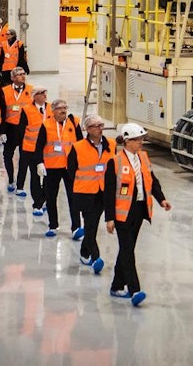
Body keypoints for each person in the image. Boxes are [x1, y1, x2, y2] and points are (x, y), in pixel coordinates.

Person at [104, 123, 171, 306]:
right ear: (127, 141)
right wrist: (109, 218)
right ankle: (135, 290)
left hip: (140, 210)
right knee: (127, 251)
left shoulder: (143, 157)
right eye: (138, 139)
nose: (141, 142)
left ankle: (117, 285)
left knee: (127, 249)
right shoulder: (115, 162)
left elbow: (152, 180)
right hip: (122, 214)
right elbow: (108, 193)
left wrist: (161, 199)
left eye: (141, 139)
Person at [68, 115, 113, 273]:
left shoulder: (111, 145)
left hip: (103, 193)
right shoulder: (78, 147)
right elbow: (71, 171)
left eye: (102, 125)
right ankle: (96, 257)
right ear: (88, 129)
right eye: (96, 126)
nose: (100, 128)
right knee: (90, 225)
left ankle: (84, 252)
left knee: (92, 225)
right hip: (85, 192)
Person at [34, 99, 82, 238]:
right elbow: (39, 146)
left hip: (70, 167)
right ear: (53, 111)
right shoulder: (46, 125)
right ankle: (53, 225)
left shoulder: (74, 123)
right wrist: (39, 163)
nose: (63, 111)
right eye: (60, 108)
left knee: (73, 197)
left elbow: (81, 145)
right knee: (51, 197)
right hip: (52, 166)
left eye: (65, 108)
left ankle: (76, 227)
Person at [0, 66, 32, 192]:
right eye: (19, 74)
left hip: (25, 128)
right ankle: (11, 179)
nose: (22, 76)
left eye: (23, 74)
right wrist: (1, 131)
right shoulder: (5, 90)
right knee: (7, 155)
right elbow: (1, 112)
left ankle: (20, 185)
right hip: (10, 128)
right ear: (12, 78)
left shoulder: (31, 90)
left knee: (24, 157)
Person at [16, 87, 50, 210]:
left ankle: (45, 199)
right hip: (31, 148)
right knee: (35, 176)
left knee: (48, 176)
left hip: (48, 149)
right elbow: (21, 129)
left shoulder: (51, 108)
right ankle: (37, 203)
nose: (44, 95)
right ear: (34, 96)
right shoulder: (27, 109)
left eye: (45, 93)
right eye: (41, 93)